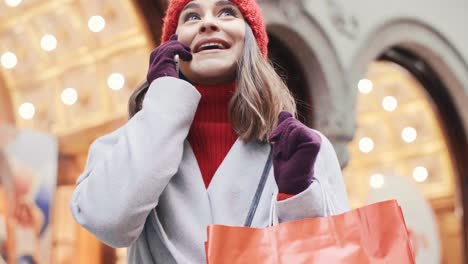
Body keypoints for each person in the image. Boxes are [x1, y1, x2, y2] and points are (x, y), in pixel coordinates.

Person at [70, 0, 350, 263]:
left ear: (251, 38)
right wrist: (162, 106)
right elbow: (107, 223)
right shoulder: (126, 143)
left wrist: (296, 196)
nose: (208, 23)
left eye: (227, 12)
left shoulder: (303, 147)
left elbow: (329, 256)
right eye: (191, 16)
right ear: (173, 46)